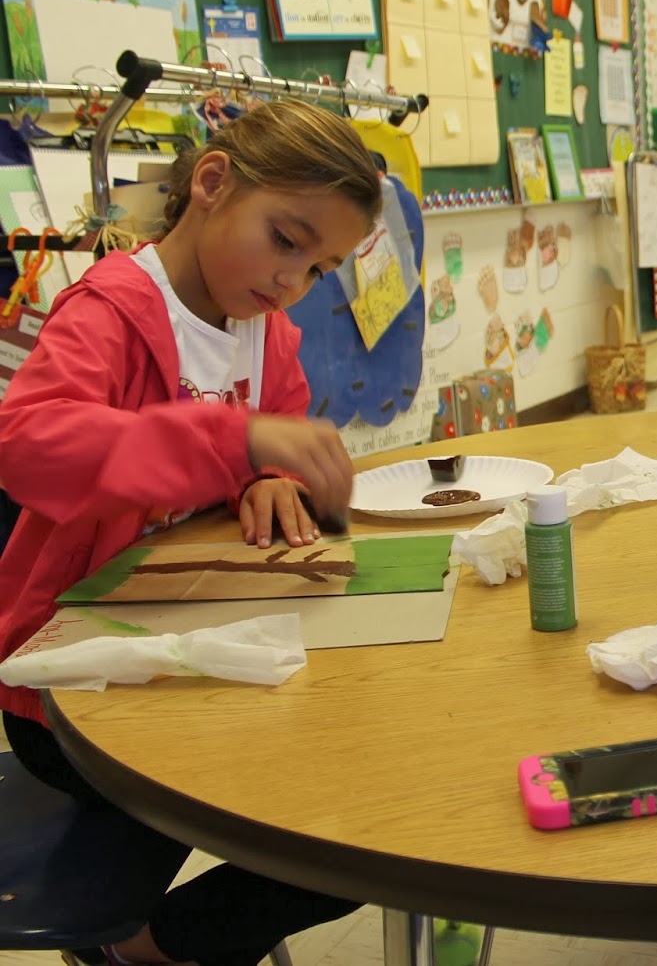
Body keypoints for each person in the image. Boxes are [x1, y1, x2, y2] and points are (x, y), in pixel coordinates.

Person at [0, 98, 381, 966]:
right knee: (354, 827)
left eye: (320, 268)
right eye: (288, 240)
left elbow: (268, 427)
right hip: (67, 687)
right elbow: (27, 448)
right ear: (211, 182)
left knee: (374, 801)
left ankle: (147, 946)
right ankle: (153, 949)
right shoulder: (106, 310)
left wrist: (271, 477)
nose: (294, 282)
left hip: (179, 639)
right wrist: (233, 442)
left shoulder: (265, 329)